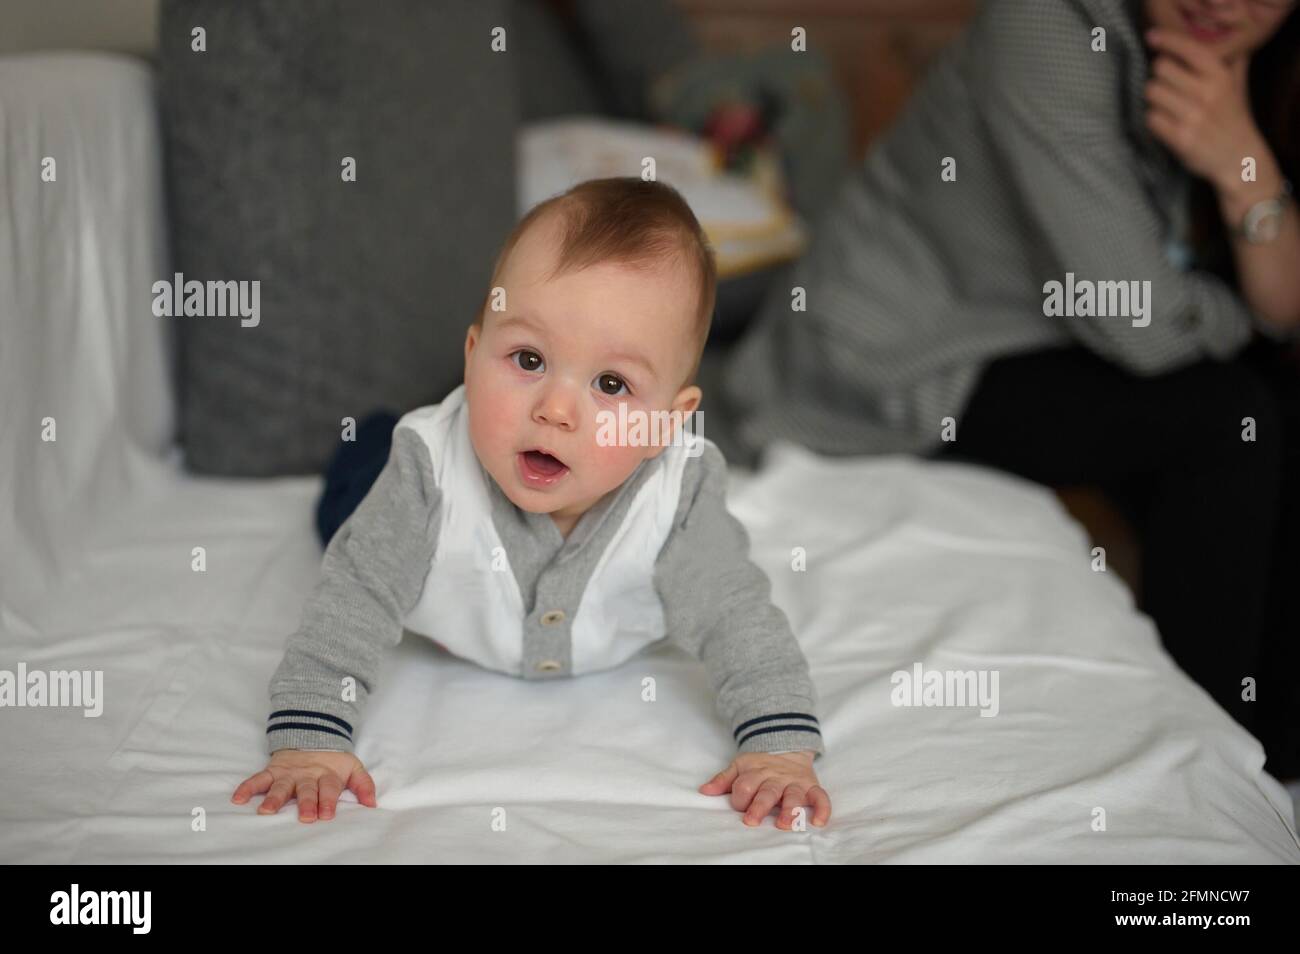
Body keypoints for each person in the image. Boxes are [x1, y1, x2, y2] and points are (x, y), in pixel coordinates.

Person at [711, 0, 1300, 779]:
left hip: (1045, 333)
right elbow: (1146, 328)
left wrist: (1243, 163)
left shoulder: (1266, 63)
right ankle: (1208, 764)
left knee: (1266, 402)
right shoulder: (1048, 27)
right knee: (1227, 417)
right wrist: (1251, 296)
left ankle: (1272, 749)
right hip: (903, 356)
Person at [232, 179, 831, 827]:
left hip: (501, 439)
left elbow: (739, 620)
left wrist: (779, 750)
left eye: (611, 384)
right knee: (351, 505)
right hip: (397, 476)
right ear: (472, 354)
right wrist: (310, 742)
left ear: (665, 424)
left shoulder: (677, 498)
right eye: (527, 357)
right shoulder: (426, 475)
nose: (554, 409)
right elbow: (349, 606)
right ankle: (376, 434)